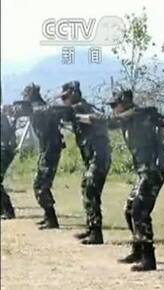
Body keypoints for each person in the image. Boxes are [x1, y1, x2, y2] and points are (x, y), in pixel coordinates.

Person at [78, 89, 164, 271]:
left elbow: (110, 122)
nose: (113, 109)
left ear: (124, 102)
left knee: (139, 210)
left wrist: (83, 117)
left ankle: (148, 258)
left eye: (114, 105)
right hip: (144, 171)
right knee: (129, 210)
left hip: (152, 170)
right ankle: (138, 249)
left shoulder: (136, 114)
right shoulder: (131, 116)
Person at [59, 81, 112, 244]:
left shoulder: (82, 108)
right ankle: (91, 228)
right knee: (87, 188)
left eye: (66, 97)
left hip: (99, 156)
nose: (64, 100)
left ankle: (96, 233)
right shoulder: (78, 109)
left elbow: (96, 119)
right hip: (92, 157)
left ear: (74, 93)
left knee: (90, 189)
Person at [19, 83, 67, 229]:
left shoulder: (42, 109)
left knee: (40, 185)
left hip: (50, 150)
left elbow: (48, 110)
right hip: (47, 150)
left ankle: (51, 219)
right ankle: (48, 216)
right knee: (40, 183)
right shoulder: (38, 109)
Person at [1, 103, 18, 219]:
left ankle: (8, 210)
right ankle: (3, 209)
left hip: (4, 151)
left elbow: (7, 137)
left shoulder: (2, 118)